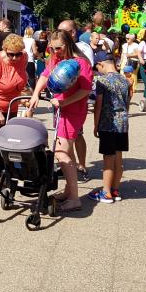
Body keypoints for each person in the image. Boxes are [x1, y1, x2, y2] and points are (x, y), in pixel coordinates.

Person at [29, 29, 93, 212]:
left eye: (58, 48)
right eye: (52, 48)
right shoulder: (55, 57)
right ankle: (69, 191)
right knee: (68, 152)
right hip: (61, 109)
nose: (55, 51)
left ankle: (74, 199)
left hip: (73, 111)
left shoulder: (81, 63)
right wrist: (35, 94)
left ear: (68, 44)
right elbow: (45, 74)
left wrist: (64, 101)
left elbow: (85, 90)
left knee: (61, 152)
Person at [0, 34, 29, 193]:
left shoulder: (23, 58)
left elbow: (22, 80)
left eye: (18, 54)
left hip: (12, 106)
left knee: (8, 142)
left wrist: (25, 99)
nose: (15, 57)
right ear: (4, 50)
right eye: (11, 54)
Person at [90, 51, 131, 204]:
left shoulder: (102, 81)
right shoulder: (125, 80)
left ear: (101, 64)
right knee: (118, 158)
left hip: (108, 124)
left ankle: (106, 192)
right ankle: (115, 189)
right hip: (123, 123)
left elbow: (98, 105)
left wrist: (96, 124)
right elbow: (127, 103)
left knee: (108, 159)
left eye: (97, 67)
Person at [57, 19, 93, 182]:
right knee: (65, 140)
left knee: (76, 136)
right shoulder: (61, 51)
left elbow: (85, 83)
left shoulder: (83, 51)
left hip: (74, 106)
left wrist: (67, 100)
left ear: (72, 33)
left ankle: (81, 166)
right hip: (61, 103)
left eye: (63, 31)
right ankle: (70, 168)